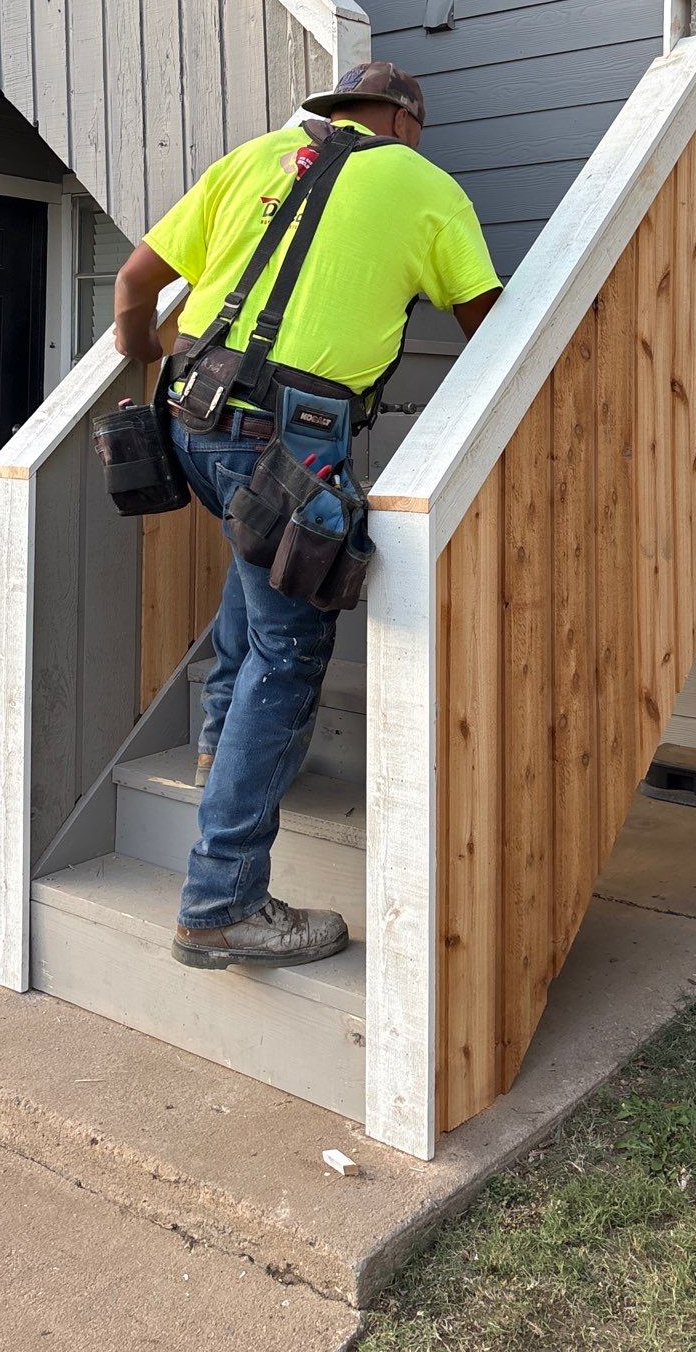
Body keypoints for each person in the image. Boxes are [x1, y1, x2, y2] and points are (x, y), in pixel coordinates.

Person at [113, 62, 501, 969]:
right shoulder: (423, 183)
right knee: (289, 655)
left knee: (259, 565)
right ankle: (221, 904)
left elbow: (134, 283)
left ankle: (218, 745)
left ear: (335, 112)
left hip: (190, 420)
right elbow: (496, 334)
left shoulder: (253, 157)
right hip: (286, 441)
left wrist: (142, 361)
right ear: (403, 122)